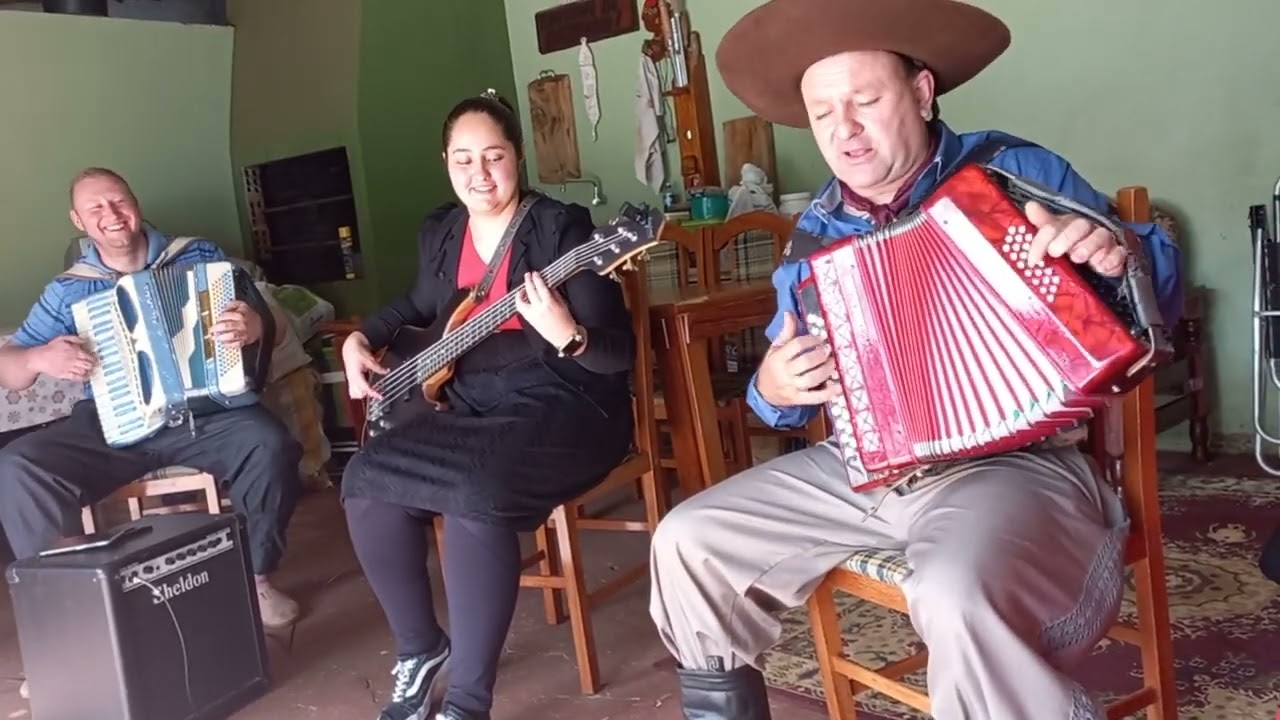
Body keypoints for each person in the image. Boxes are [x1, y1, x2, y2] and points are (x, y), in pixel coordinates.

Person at [646, 1, 1185, 718]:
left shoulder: (1009, 171)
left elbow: (1158, 286)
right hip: (862, 470)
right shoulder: (814, 235)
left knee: (955, 588)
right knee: (687, 539)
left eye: (866, 100)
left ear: (923, 92)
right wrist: (773, 388)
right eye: (823, 111)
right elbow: (782, 392)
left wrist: (1112, 255)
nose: (845, 129)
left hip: (1018, 462)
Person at [339, 91, 636, 720]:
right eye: (463, 159)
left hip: (567, 402)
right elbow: (419, 305)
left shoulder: (563, 230)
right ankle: (420, 650)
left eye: (494, 157)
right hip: (472, 404)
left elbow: (616, 357)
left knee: (478, 490)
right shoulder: (443, 231)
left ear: (518, 159)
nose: (480, 174)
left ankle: (468, 704)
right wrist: (361, 337)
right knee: (365, 479)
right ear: (445, 162)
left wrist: (569, 334)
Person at [0, 168, 304, 696]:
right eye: (96, 209)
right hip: (109, 425)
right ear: (79, 222)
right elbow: (9, 367)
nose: (111, 215)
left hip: (203, 415)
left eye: (118, 201)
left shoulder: (196, 256)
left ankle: (255, 578)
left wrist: (257, 327)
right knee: (20, 467)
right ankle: (72, 621)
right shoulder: (66, 292)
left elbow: (264, 322)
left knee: (271, 444)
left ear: (135, 203)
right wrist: (39, 355)